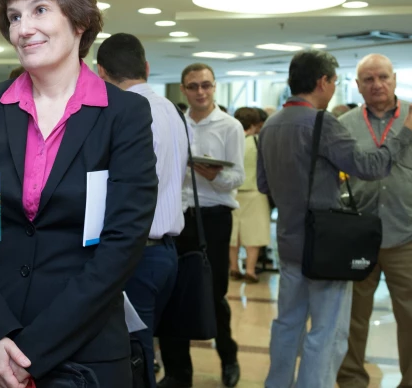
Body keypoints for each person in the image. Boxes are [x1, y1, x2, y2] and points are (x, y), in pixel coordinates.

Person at [0, 0, 158, 387]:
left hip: (83, 343)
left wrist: (33, 351)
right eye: (14, 17)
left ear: (80, 20)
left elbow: (122, 244)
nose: (23, 28)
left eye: (39, 10)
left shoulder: (124, 114)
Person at [257, 50, 412, 388]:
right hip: (326, 244)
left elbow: (264, 184)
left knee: (287, 324)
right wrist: (404, 134)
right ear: (322, 82)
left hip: (289, 241)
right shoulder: (322, 122)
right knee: (328, 330)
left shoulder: (270, 125)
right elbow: (371, 167)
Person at [97, 33, 187, 388]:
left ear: (101, 72)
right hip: (167, 253)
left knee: (135, 352)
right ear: (146, 67)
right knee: (144, 346)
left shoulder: (123, 114)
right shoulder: (173, 110)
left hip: (136, 254)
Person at [158, 63, 244, 388]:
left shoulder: (229, 126)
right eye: (193, 86)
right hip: (178, 218)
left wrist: (214, 175)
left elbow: (238, 178)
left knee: (214, 293)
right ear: (183, 89)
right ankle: (178, 373)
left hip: (214, 219)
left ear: (214, 87)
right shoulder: (174, 124)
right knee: (173, 294)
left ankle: (229, 357)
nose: (200, 92)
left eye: (206, 85)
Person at [337, 54, 412, 388]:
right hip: (357, 233)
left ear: (395, 79)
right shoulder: (344, 124)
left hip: (407, 235)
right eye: (368, 79)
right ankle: (352, 379)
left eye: (382, 77)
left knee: (410, 317)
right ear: (357, 85)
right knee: (352, 317)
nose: (377, 84)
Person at [229, 107, 270, 283]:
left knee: (234, 233)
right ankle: (251, 271)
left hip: (233, 192)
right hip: (255, 192)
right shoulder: (258, 142)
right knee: (254, 233)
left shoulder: (231, 142)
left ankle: (234, 267)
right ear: (255, 125)